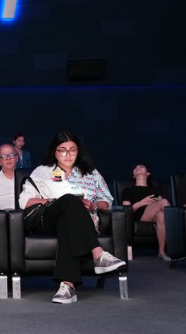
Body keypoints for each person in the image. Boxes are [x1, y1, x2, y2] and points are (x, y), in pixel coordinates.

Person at [19, 130, 126, 304]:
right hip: (47, 220)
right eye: (62, 150)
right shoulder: (43, 172)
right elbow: (24, 201)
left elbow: (107, 200)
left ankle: (68, 285)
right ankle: (98, 253)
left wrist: (93, 205)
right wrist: (52, 201)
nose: (68, 155)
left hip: (81, 222)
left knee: (66, 221)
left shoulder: (91, 173)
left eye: (72, 150)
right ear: (55, 152)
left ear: (78, 151)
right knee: (69, 200)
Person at [121, 164, 172, 261]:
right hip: (139, 215)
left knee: (161, 215)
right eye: (135, 167)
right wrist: (142, 202)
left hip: (153, 214)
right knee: (164, 202)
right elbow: (126, 210)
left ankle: (161, 252)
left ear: (148, 173)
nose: (138, 168)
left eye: (141, 166)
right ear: (133, 175)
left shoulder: (154, 190)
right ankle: (179, 231)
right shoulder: (128, 190)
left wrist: (155, 200)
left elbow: (160, 202)